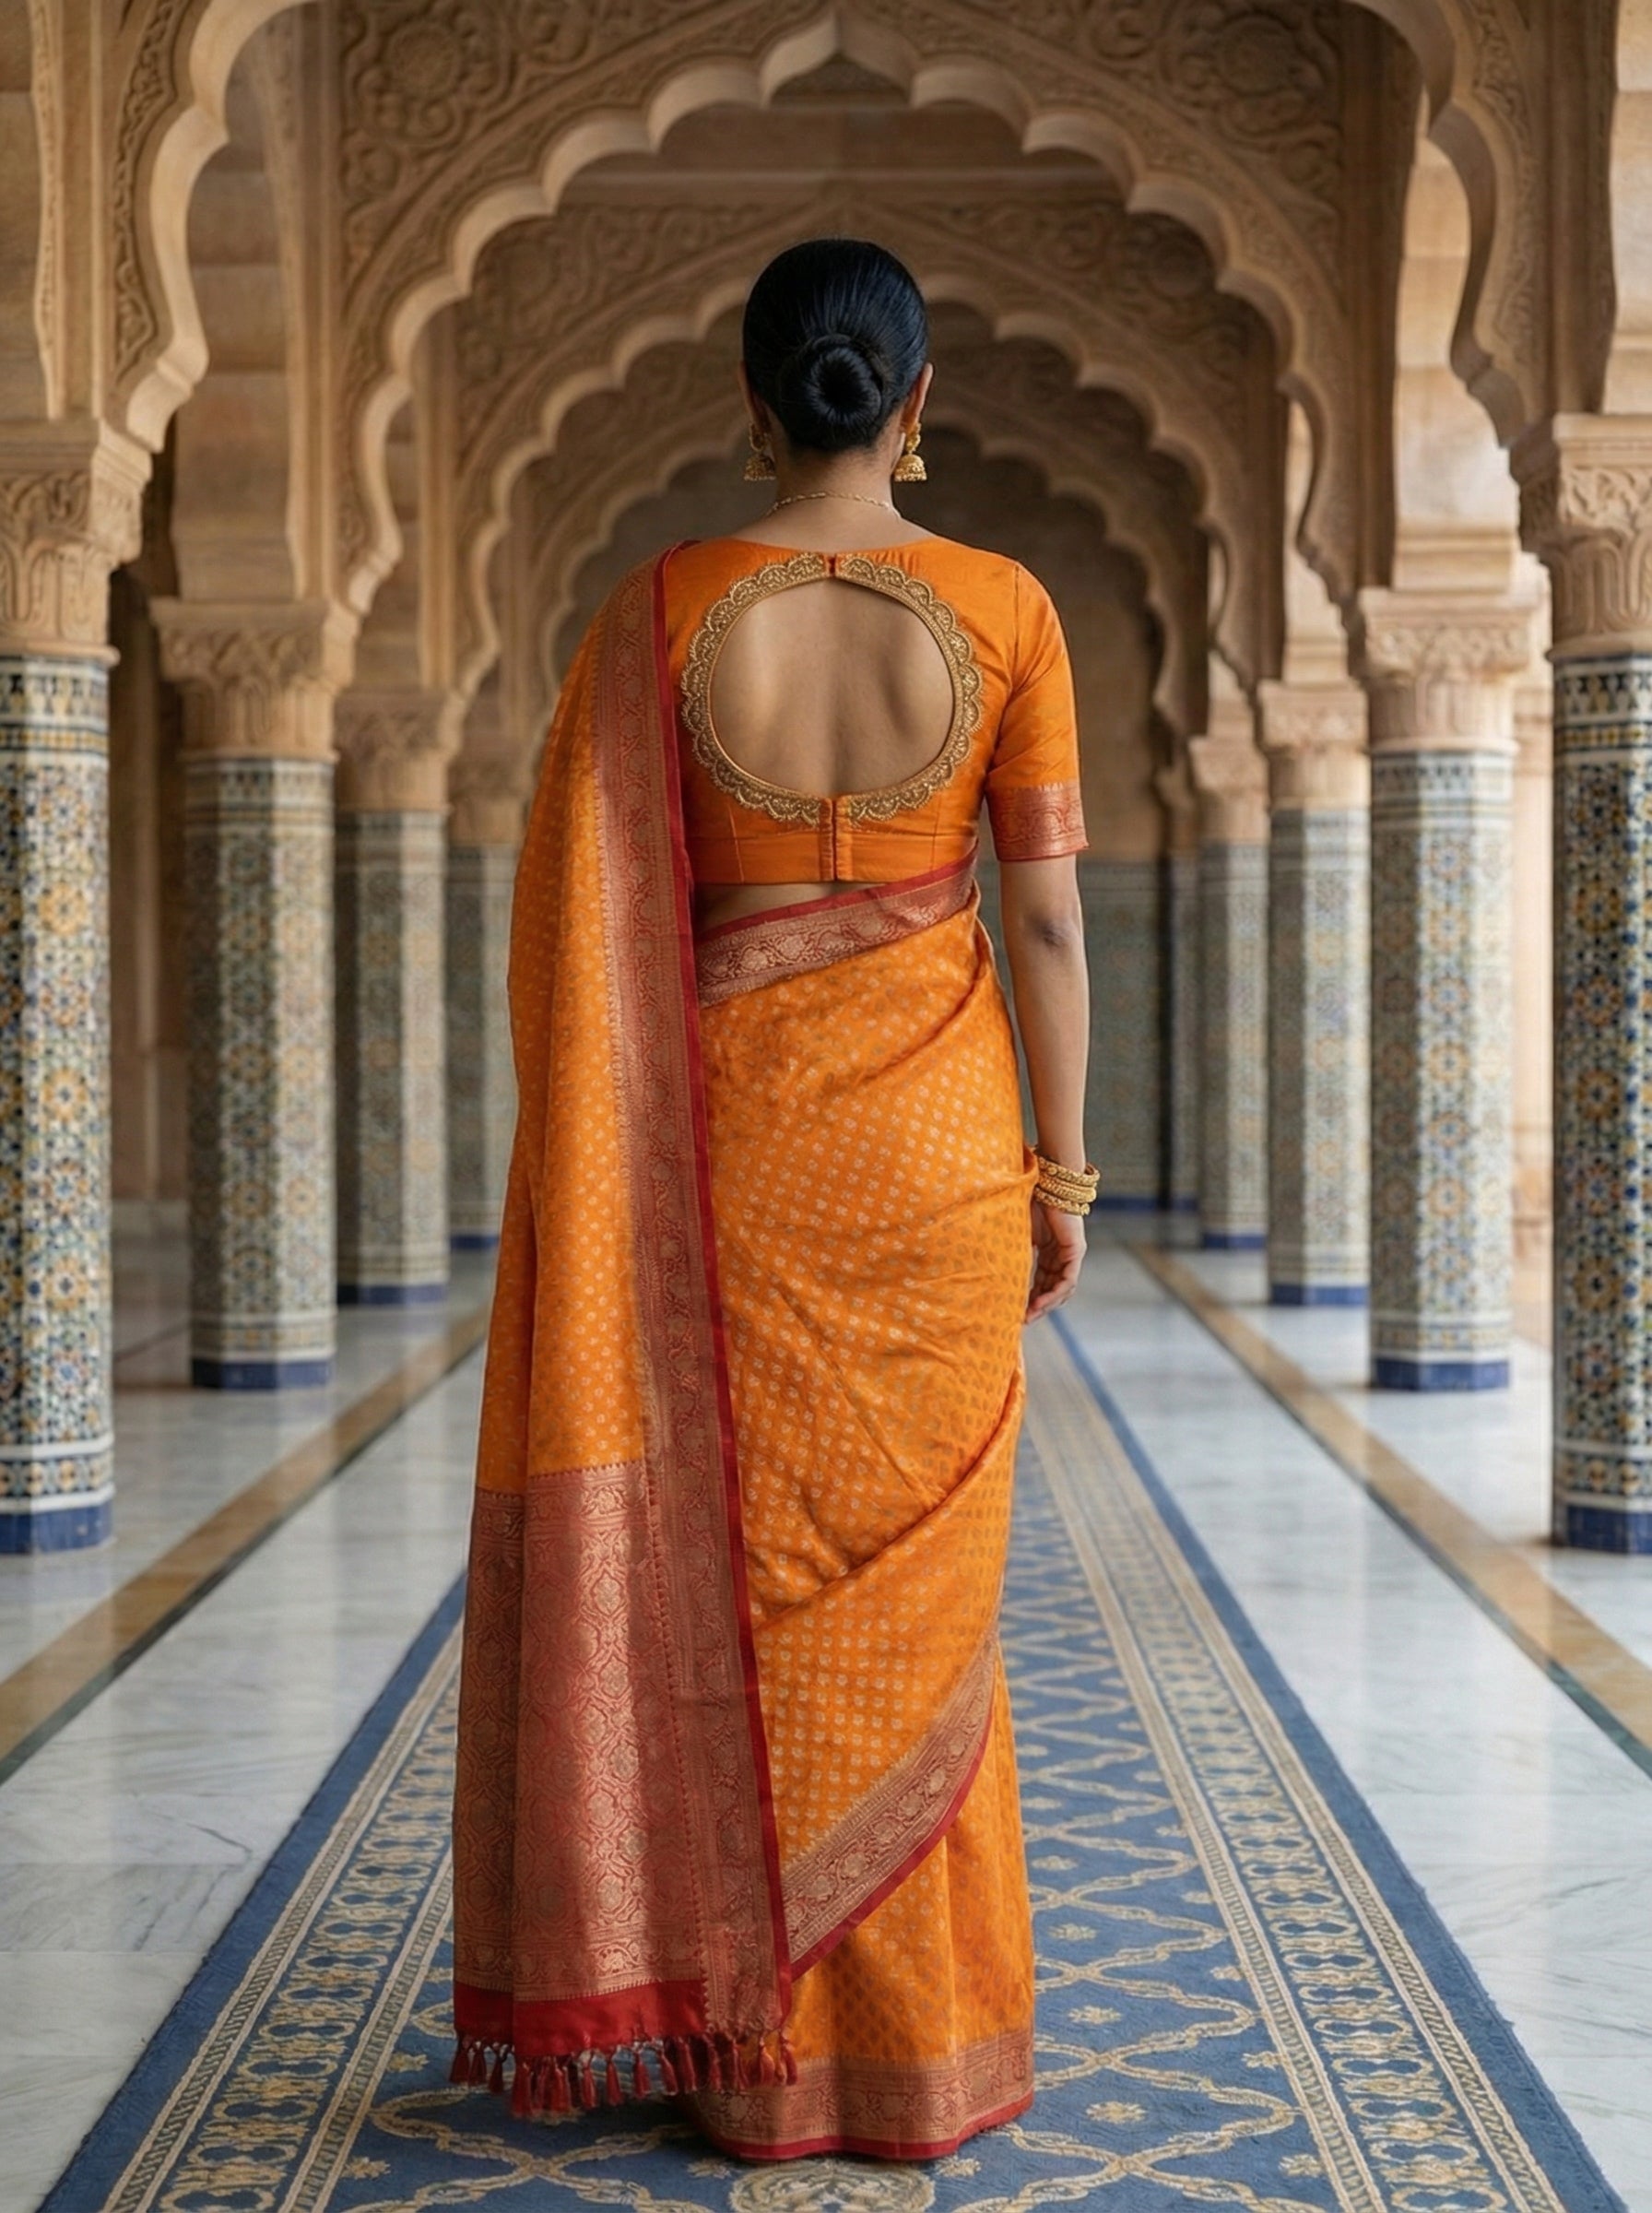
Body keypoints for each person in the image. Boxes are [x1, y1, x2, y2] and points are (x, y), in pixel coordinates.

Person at [450, 237, 1094, 2162]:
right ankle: (907, 2050)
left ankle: (754, 2060)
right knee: (924, 1609)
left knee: (734, 1587)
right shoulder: (1007, 610)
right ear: (917, 402)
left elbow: (581, 934)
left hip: (725, 1168)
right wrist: (1060, 1173)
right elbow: (1049, 923)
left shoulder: (656, 611)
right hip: (938, 1168)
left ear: (750, 401)